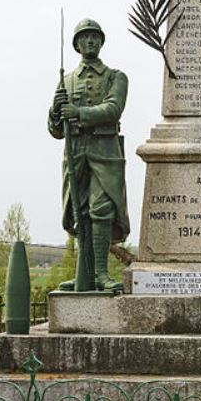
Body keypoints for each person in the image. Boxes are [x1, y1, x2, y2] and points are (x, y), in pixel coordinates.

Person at [48, 18, 130, 291]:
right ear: (77, 44)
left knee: (101, 208)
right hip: (75, 150)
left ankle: (100, 275)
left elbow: (113, 109)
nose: (90, 41)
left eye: (95, 36)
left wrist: (80, 113)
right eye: (85, 37)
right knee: (79, 212)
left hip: (104, 150)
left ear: (101, 41)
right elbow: (56, 130)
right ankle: (84, 275)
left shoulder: (115, 77)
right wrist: (55, 111)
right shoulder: (67, 81)